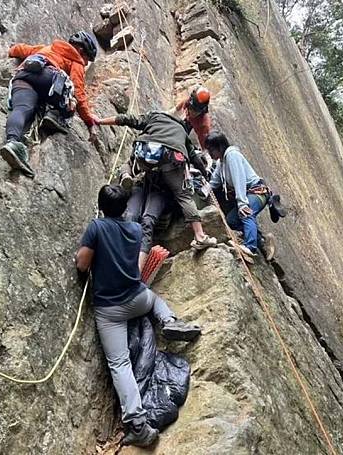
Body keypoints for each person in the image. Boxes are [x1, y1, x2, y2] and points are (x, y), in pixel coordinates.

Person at [75, 184, 201, 447]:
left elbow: (82, 263)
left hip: (110, 310)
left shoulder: (97, 227)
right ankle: (168, 320)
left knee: (119, 363)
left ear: (101, 207)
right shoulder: (133, 229)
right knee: (154, 299)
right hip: (137, 298)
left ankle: (139, 425)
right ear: (124, 208)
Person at [95, 111, 217, 270]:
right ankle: (200, 235)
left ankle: (126, 174)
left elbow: (128, 119)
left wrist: (100, 120)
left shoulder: (155, 116)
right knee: (180, 198)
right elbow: (194, 158)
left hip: (146, 156)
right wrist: (205, 173)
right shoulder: (181, 133)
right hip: (167, 167)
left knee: (132, 215)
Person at [0, 32, 99, 177]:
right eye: (86, 59)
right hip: (50, 78)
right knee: (69, 95)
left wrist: (10, 51)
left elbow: (20, 49)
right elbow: (78, 92)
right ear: (81, 50)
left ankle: (12, 142)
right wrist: (89, 121)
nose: (85, 64)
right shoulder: (76, 60)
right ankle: (55, 116)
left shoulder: (47, 48)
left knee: (21, 109)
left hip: (23, 76)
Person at [204, 131, 276, 261]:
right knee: (231, 220)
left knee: (245, 213)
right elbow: (214, 182)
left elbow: (239, 179)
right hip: (249, 193)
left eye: (211, 150)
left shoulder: (232, 156)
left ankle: (250, 247)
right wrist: (202, 190)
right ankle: (263, 240)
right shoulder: (222, 163)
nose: (210, 153)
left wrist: (242, 203)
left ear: (220, 147)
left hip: (257, 192)